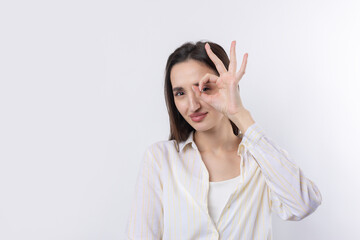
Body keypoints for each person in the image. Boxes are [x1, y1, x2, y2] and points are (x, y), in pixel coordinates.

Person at [124, 40, 322, 239]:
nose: (192, 106)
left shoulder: (260, 158)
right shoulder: (160, 159)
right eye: (180, 93)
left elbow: (303, 204)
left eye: (203, 88)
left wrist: (240, 114)